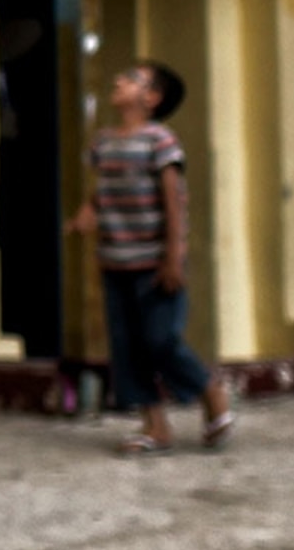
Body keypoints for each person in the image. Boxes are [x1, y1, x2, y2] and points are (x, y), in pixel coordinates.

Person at [69, 60, 235, 457]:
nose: (118, 80)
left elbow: (173, 202)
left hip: (154, 263)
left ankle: (208, 390)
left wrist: (173, 257)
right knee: (127, 348)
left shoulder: (160, 141)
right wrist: (87, 214)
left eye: (130, 79)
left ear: (151, 97)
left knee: (160, 340)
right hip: (115, 263)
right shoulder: (103, 143)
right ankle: (154, 425)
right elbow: (103, 190)